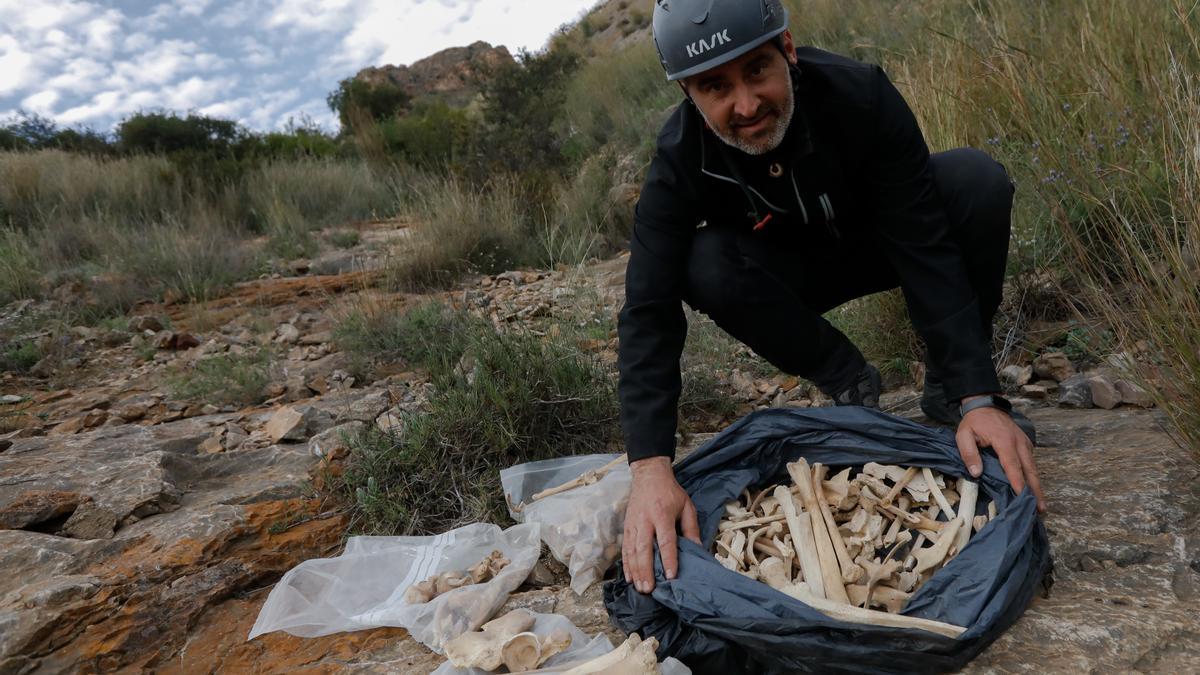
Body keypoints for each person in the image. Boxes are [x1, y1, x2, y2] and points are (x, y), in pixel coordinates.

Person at [617, 0, 1047, 595]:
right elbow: (647, 311)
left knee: (974, 181)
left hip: (881, 243)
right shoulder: (678, 161)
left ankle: (949, 390)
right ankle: (846, 378)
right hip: (785, 279)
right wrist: (650, 468)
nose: (745, 105)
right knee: (701, 261)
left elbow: (924, 241)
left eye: (757, 71)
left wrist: (978, 392)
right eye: (716, 86)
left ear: (788, 51)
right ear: (690, 93)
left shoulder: (860, 95)